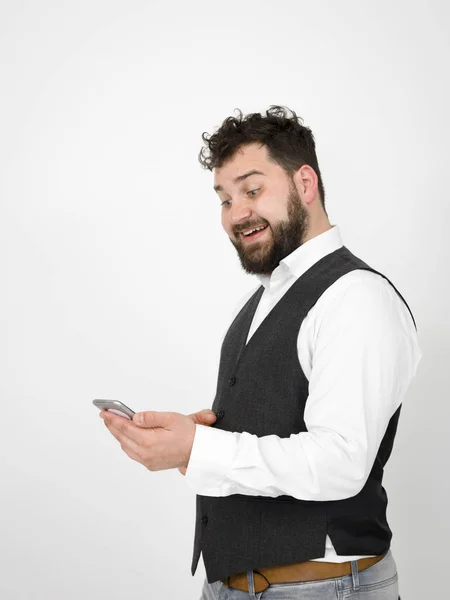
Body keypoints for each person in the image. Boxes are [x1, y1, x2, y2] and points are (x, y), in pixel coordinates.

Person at [100, 106, 422, 599]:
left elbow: (341, 460)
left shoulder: (356, 296)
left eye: (252, 190)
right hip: (241, 586)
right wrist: (196, 445)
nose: (236, 214)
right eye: (225, 199)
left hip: (322, 587)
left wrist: (201, 448)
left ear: (306, 184)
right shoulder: (265, 299)